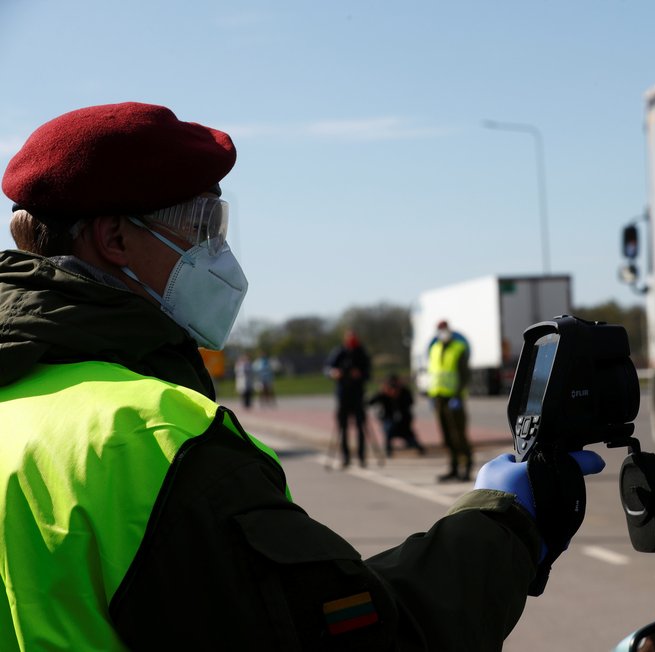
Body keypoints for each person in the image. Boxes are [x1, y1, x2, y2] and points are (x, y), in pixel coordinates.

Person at [0, 101, 604, 650]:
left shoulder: (16, 398)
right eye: (205, 227)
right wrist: (506, 522)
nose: (219, 253)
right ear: (115, 239)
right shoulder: (157, 439)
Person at [427, 319, 475, 482]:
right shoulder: (435, 348)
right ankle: (453, 467)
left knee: (458, 435)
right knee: (446, 436)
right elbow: (434, 373)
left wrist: (457, 394)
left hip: (454, 398)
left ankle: (466, 467)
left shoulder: (458, 348)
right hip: (439, 397)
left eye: (444, 329)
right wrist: (431, 395)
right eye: (440, 329)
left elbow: (464, 375)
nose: (443, 332)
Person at [325, 329, 372, 467]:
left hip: (358, 395)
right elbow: (327, 368)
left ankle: (362, 456)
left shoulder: (361, 353)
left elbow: (368, 373)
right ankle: (345, 457)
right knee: (342, 427)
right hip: (343, 394)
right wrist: (334, 373)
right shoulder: (339, 352)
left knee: (361, 426)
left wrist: (360, 374)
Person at [369, 373, 426, 456]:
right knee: (389, 429)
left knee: (410, 436)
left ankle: (414, 445)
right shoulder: (383, 394)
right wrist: (382, 393)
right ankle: (388, 449)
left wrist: (399, 396)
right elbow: (370, 402)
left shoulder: (404, 392)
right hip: (389, 421)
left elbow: (410, 402)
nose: (393, 390)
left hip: (404, 422)